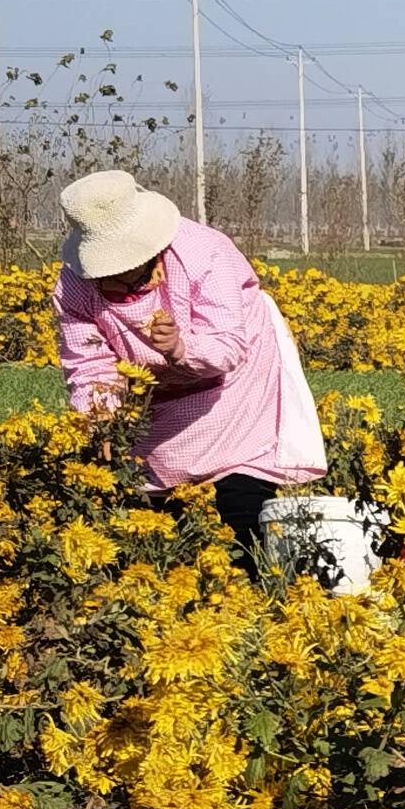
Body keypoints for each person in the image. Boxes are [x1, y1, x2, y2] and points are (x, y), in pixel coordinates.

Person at [51, 169, 322, 554]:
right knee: (156, 513)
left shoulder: (203, 252)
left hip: (234, 385)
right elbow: (87, 362)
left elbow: (227, 345)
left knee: (239, 498)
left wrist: (180, 347)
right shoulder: (74, 285)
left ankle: (254, 575)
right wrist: (100, 417)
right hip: (154, 397)